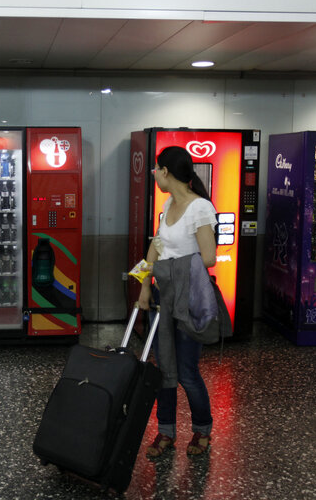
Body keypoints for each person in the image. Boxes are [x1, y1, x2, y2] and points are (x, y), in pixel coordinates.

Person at [137, 146, 217, 457]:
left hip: (189, 297)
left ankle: (201, 431)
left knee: (186, 371)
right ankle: (166, 432)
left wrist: (168, 270)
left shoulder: (200, 209)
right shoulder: (169, 203)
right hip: (163, 297)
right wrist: (145, 286)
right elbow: (156, 247)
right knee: (164, 369)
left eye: (157, 168)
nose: (154, 173)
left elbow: (208, 258)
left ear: (167, 172)